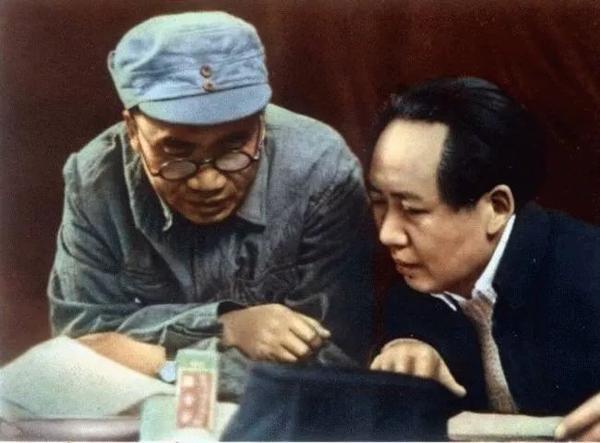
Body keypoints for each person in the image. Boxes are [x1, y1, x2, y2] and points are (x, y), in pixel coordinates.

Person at [47, 11, 372, 399]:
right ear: (132, 130)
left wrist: (161, 363)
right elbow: (82, 344)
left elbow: (335, 362)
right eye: (175, 151)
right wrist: (224, 325)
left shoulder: (323, 171)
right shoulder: (93, 179)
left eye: (234, 146)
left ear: (261, 123)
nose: (208, 182)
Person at [366, 77, 600, 439]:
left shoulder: (586, 269)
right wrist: (405, 347)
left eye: (412, 210)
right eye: (379, 203)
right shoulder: (411, 288)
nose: (387, 234)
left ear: (497, 207)